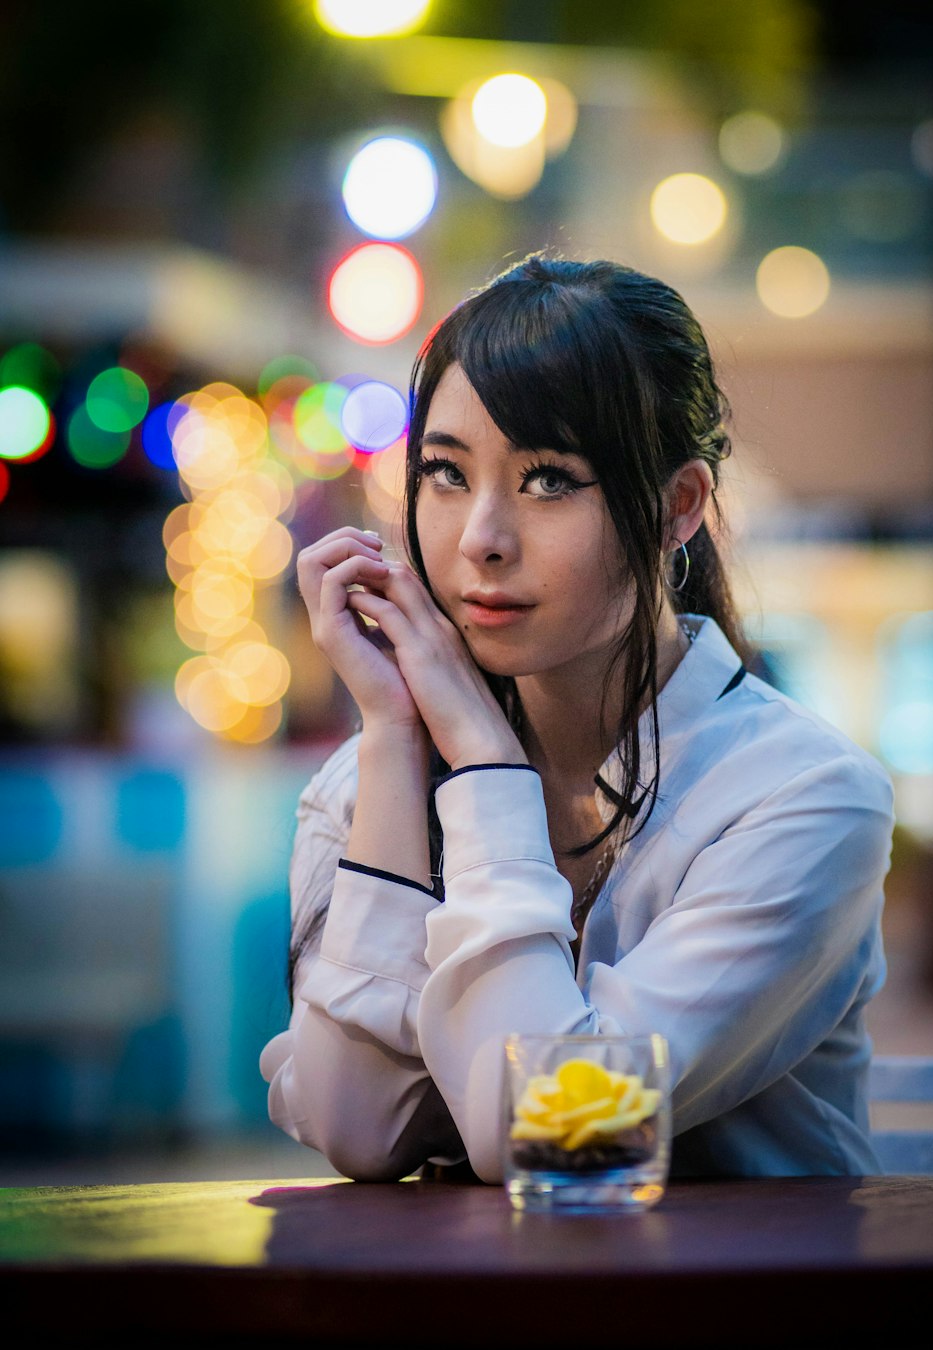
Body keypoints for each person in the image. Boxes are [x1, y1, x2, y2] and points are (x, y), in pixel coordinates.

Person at [260, 254, 895, 1182]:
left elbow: (564, 1137)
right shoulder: (367, 784)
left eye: (548, 480)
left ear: (678, 508)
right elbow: (356, 1129)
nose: (481, 537)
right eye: (444, 473)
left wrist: (483, 766)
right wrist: (399, 741)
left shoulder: (803, 799)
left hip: (741, 1314)